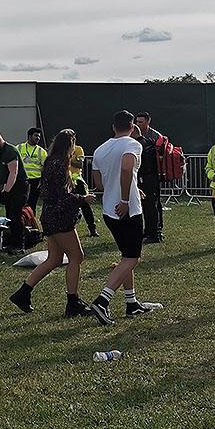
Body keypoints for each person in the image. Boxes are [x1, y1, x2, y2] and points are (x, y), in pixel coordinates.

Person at [8, 129, 98, 316]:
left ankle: (23, 293)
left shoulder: (51, 161)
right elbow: (61, 196)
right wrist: (83, 198)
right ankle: (72, 303)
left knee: (54, 259)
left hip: (50, 216)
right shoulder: (59, 165)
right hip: (59, 218)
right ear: (70, 145)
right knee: (77, 257)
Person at [87, 111, 162, 326]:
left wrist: (131, 188)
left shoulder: (100, 149)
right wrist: (126, 198)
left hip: (109, 209)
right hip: (126, 209)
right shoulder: (133, 144)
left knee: (125, 257)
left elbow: (99, 183)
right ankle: (103, 300)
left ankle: (131, 303)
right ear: (132, 126)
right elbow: (127, 167)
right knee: (132, 258)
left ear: (113, 127)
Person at [0, 131, 29, 254]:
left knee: (16, 215)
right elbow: (2, 172)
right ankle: (12, 242)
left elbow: (13, 173)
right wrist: (3, 190)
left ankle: (20, 245)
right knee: (9, 216)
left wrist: (6, 191)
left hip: (19, 186)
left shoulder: (10, 151)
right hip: (9, 185)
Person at [135, 112, 164, 243]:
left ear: (148, 122)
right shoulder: (136, 137)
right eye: (137, 121)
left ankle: (155, 232)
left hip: (151, 175)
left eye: (140, 122)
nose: (138, 124)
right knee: (146, 205)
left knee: (152, 204)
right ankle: (148, 231)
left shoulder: (155, 137)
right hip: (142, 175)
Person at [70, 135, 98, 237]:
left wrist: (68, 159)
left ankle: (92, 229)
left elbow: (80, 164)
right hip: (65, 181)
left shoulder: (78, 149)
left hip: (77, 181)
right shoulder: (61, 150)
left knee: (85, 205)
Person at [18, 128, 47, 212]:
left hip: (36, 181)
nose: (38, 138)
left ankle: (32, 222)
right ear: (29, 136)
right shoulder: (19, 147)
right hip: (23, 179)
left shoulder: (42, 151)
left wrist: (42, 182)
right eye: (36, 135)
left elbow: (45, 168)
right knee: (21, 202)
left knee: (32, 203)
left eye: (39, 136)